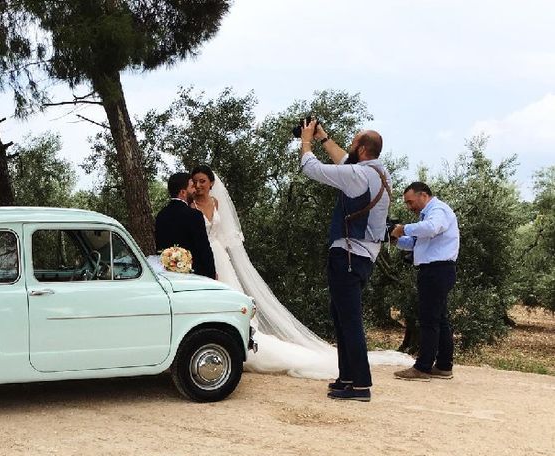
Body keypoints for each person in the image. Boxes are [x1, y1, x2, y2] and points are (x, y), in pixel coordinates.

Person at [188, 165, 414, 381]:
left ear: (211, 184)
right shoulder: (189, 205)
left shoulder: (217, 203)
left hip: (218, 254)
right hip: (201, 255)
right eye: (195, 182)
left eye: (203, 181)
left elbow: (226, 236)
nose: (198, 186)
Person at [300, 120, 391, 402]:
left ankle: (361, 385)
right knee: (342, 317)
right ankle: (347, 377)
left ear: (362, 149)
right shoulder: (378, 172)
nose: (349, 147)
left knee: (349, 320)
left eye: (353, 143)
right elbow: (344, 161)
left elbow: (310, 168)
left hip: (348, 254)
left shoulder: (358, 176)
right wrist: (325, 138)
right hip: (363, 255)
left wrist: (306, 142)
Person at [390, 182, 460, 381]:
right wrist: (394, 239)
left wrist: (403, 228)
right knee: (440, 319)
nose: (409, 207)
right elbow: (415, 243)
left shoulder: (438, 210)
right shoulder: (427, 216)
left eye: (410, 202)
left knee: (429, 319)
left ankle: (422, 367)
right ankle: (444, 365)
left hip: (436, 270)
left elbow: (430, 228)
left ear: (423, 196)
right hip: (436, 270)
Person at [154, 172, 216, 279]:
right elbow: (203, 248)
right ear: (183, 192)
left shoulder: (161, 215)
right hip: (194, 275)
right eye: (191, 186)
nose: (195, 189)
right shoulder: (194, 215)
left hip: (167, 274)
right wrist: (211, 274)